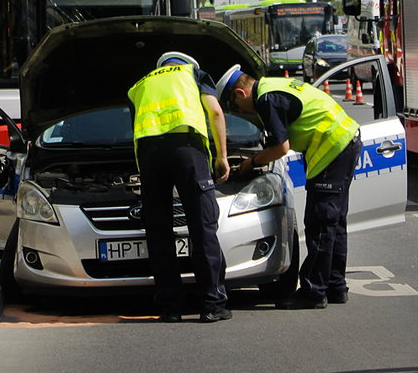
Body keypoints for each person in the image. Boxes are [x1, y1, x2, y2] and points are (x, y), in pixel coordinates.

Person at [216, 64, 361, 309]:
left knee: (321, 222)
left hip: (332, 147)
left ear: (240, 94)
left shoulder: (265, 98)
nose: (238, 111)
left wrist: (251, 163)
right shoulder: (273, 85)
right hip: (345, 140)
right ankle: (336, 286)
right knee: (335, 223)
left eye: (235, 106)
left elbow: (280, 148)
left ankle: (313, 292)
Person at [127, 51, 231, 323]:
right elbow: (215, 111)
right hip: (187, 150)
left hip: (150, 155)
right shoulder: (193, 74)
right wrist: (222, 157)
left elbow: (136, 125)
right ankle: (212, 304)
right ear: (187, 64)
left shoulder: (141, 84)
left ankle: (170, 307)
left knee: (159, 232)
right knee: (202, 227)